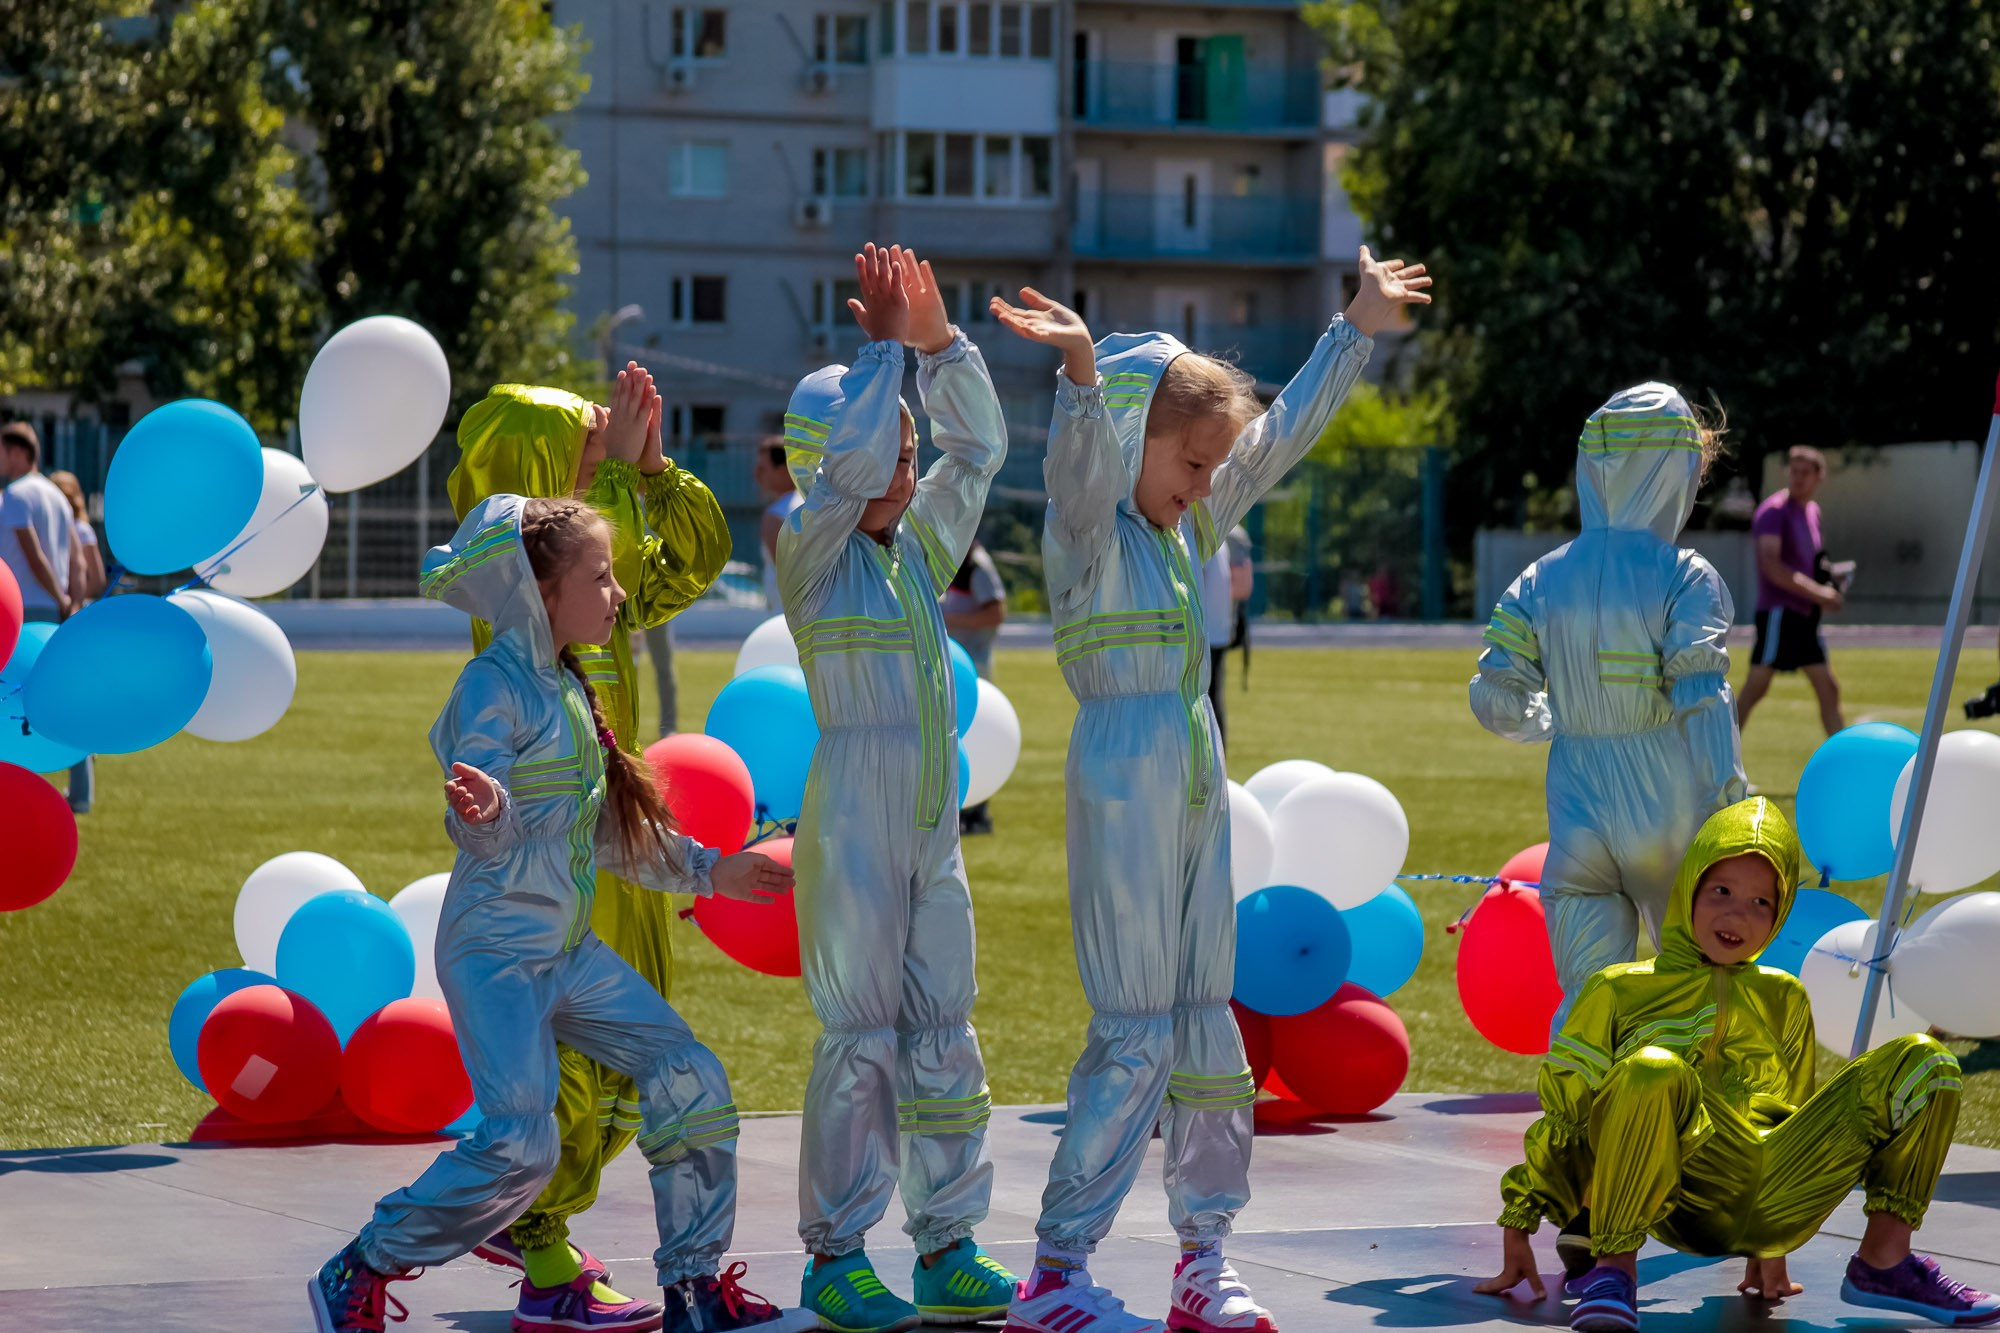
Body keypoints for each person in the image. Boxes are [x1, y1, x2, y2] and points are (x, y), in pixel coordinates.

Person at [987, 244, 1430, 1333]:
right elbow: (1080, 471)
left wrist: (1353, 329)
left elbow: (1275, 441)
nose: (1202, 482)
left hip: (1190, 759)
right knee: (1135, 1026)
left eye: (1207, 467)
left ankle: (1201, 1259)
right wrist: (1086, 375)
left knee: (1205, 1025)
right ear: (1134, 432)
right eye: (1186, 460)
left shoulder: (1187, 525)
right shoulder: (1084, 533)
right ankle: (1056, 1273)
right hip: (1122, 777)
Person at [309, 495, 809, 1333]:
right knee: (522, 1143)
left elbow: (608, 835)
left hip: (563, 951)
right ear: (540, 592)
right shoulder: (493, 685)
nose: (616, 595)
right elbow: (481, 808)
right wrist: (486, 808)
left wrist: (712, 870)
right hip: (497, 955)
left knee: (690, 1078)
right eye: (600, 577)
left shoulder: (569, 688)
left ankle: (690, 1290)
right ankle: (362, 1265)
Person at [1476, 797, 1997, 1332]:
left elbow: (1788, 1114)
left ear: (1779, 913)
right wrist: (1520, 1219)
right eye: (1721, 891)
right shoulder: (1618, 990)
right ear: (1688, 890)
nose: (1736, 915)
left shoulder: (1784, 996)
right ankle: (1614, 1271)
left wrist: (1769, 1245)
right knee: (1654, 1068)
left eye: (1760, 903)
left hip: (1774, 1190)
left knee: (1927, 1060)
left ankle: (1883, 1263)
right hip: (1681, 1200)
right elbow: (1566, 1114)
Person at [446, 367, 732, 1331]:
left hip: (617, 837)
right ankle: (541, 1252)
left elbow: (691, 564)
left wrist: (652, 473)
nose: (596, 454)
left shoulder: (586, 571)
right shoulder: (522, 591)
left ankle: (536, 1225)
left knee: (620, 1057)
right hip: (562, 857)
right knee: (572, 1052)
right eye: (578, 443)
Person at [780, 244, 1016, 1333]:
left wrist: (936, 347)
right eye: (889, 449)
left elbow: (979, 446)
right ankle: (835, 1253)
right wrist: (877, 356)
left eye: (907, 451)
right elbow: (846, 470)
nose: (908, 467)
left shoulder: (914, 553)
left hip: (927, 828)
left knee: (942, 1032)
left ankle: (946, 1241)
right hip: (853, 822)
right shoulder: (811, 547)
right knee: (860, 1037)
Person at [1471, 384, 1746, 1042]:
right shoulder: (1686, 574)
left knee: (1590, 1001)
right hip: (1670, 801)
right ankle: (1688, 1134)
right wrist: (1729, 797)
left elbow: (1493, 695)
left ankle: (1579, 1130)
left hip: (1578, 806)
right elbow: (1700, 691)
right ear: (1678, 471)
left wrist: (1559, 717)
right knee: (1698, 994)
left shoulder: (1539, 578)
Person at [2, 423, 91, 815]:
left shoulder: (16, 496)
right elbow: (75, 555)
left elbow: (33, 554)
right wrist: (72, 598)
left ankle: (19, 788)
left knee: (13, 700)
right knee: (62, 700)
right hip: (56, 610)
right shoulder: (56, 495)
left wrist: (58, 594)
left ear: (17, 452)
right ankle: (82, 791)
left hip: (22, 612)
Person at [1736, 445, 1846, 735]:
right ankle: (1713, 758)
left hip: (1804, 616)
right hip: (1779, 614)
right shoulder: (1773, 512)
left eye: (1805, 472)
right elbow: (1771, 567)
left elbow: (1809, 562)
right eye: (1794, 471)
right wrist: (1820, 595)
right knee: (1755, 689)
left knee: (1829, 689)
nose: (1798, 478)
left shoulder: (1811, 512)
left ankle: (1845, 765)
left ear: (1819, 476)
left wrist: (1831, 580)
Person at [942, 539, 1005, 835]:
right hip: (956, 668)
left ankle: (977, 811)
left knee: (973, 738)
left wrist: (946, 618)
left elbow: (996, 613)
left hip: (974, 668)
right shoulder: (956, 560)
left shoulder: (977, 565)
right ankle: (962, 808)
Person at [1199, 528, 1252, 746]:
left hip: (1204, 632)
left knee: (1202, 704)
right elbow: (1242, 588)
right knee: (1212, 702)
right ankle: (1216, 764)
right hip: (1218, 630)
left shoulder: (1197, 536)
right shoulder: (1220, 535)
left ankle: (1208, 768)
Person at [757, 437, 803, 611]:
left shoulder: (776, 515)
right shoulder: (810, 504)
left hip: (786, 617)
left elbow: (792, 577)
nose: (756, 475)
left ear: (783, 470)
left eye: (763, 469)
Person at [49, 471, 106, 607]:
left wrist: (73, 600)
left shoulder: (82, 530)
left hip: (74, 607)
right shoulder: (49, 527)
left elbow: (96, 581)